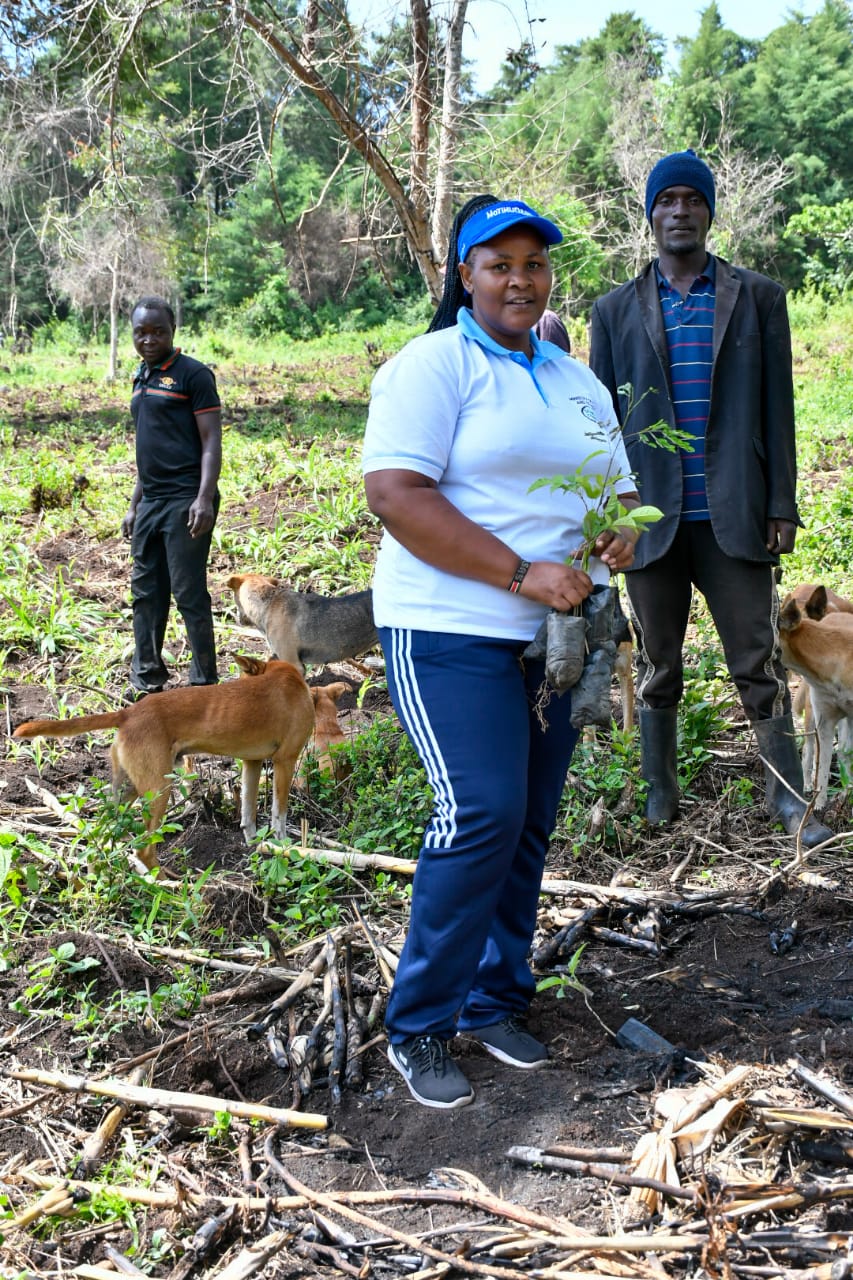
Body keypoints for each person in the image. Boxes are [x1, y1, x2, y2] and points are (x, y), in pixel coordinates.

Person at [362, 195, 642, 1109]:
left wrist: (615, 538)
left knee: (527, 820)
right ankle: (420, 1025)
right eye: (499, 264)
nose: (519, 280)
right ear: (464, 275)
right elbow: (398, 496)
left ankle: (493, 999)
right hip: (447, 627)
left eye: (534, 264)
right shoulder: (431, 367)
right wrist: (521, 572)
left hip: (551, 641)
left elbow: (613, 496)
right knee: (479, 811)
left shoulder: (574, 380)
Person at [589, 149, 831, 847]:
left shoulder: (756, 297)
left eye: (692, 199)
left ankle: (786, 803)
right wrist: (609, 518)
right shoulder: (613, 311)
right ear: (650, 214)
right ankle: (659, 799)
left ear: (708, 212)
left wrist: (779, 503)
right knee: (659, 666)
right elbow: (600, 424)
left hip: (735, 512)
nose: (679, 211)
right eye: (666, 201)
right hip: (649, 521)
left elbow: (776, 410)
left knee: (755, 664)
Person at [122, 296, 222, 697]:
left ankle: (203, 683)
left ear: (172, 331)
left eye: (157, 331)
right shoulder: (140, 377)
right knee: (146, 592)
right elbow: (148, 449)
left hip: (185, 500)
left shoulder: (193, 375)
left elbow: (211, 441)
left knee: (188, 592)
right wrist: (133, 505)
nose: (149, 339)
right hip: (150, 502)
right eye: (141, 332)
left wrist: (204, 498)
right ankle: (147, 680)